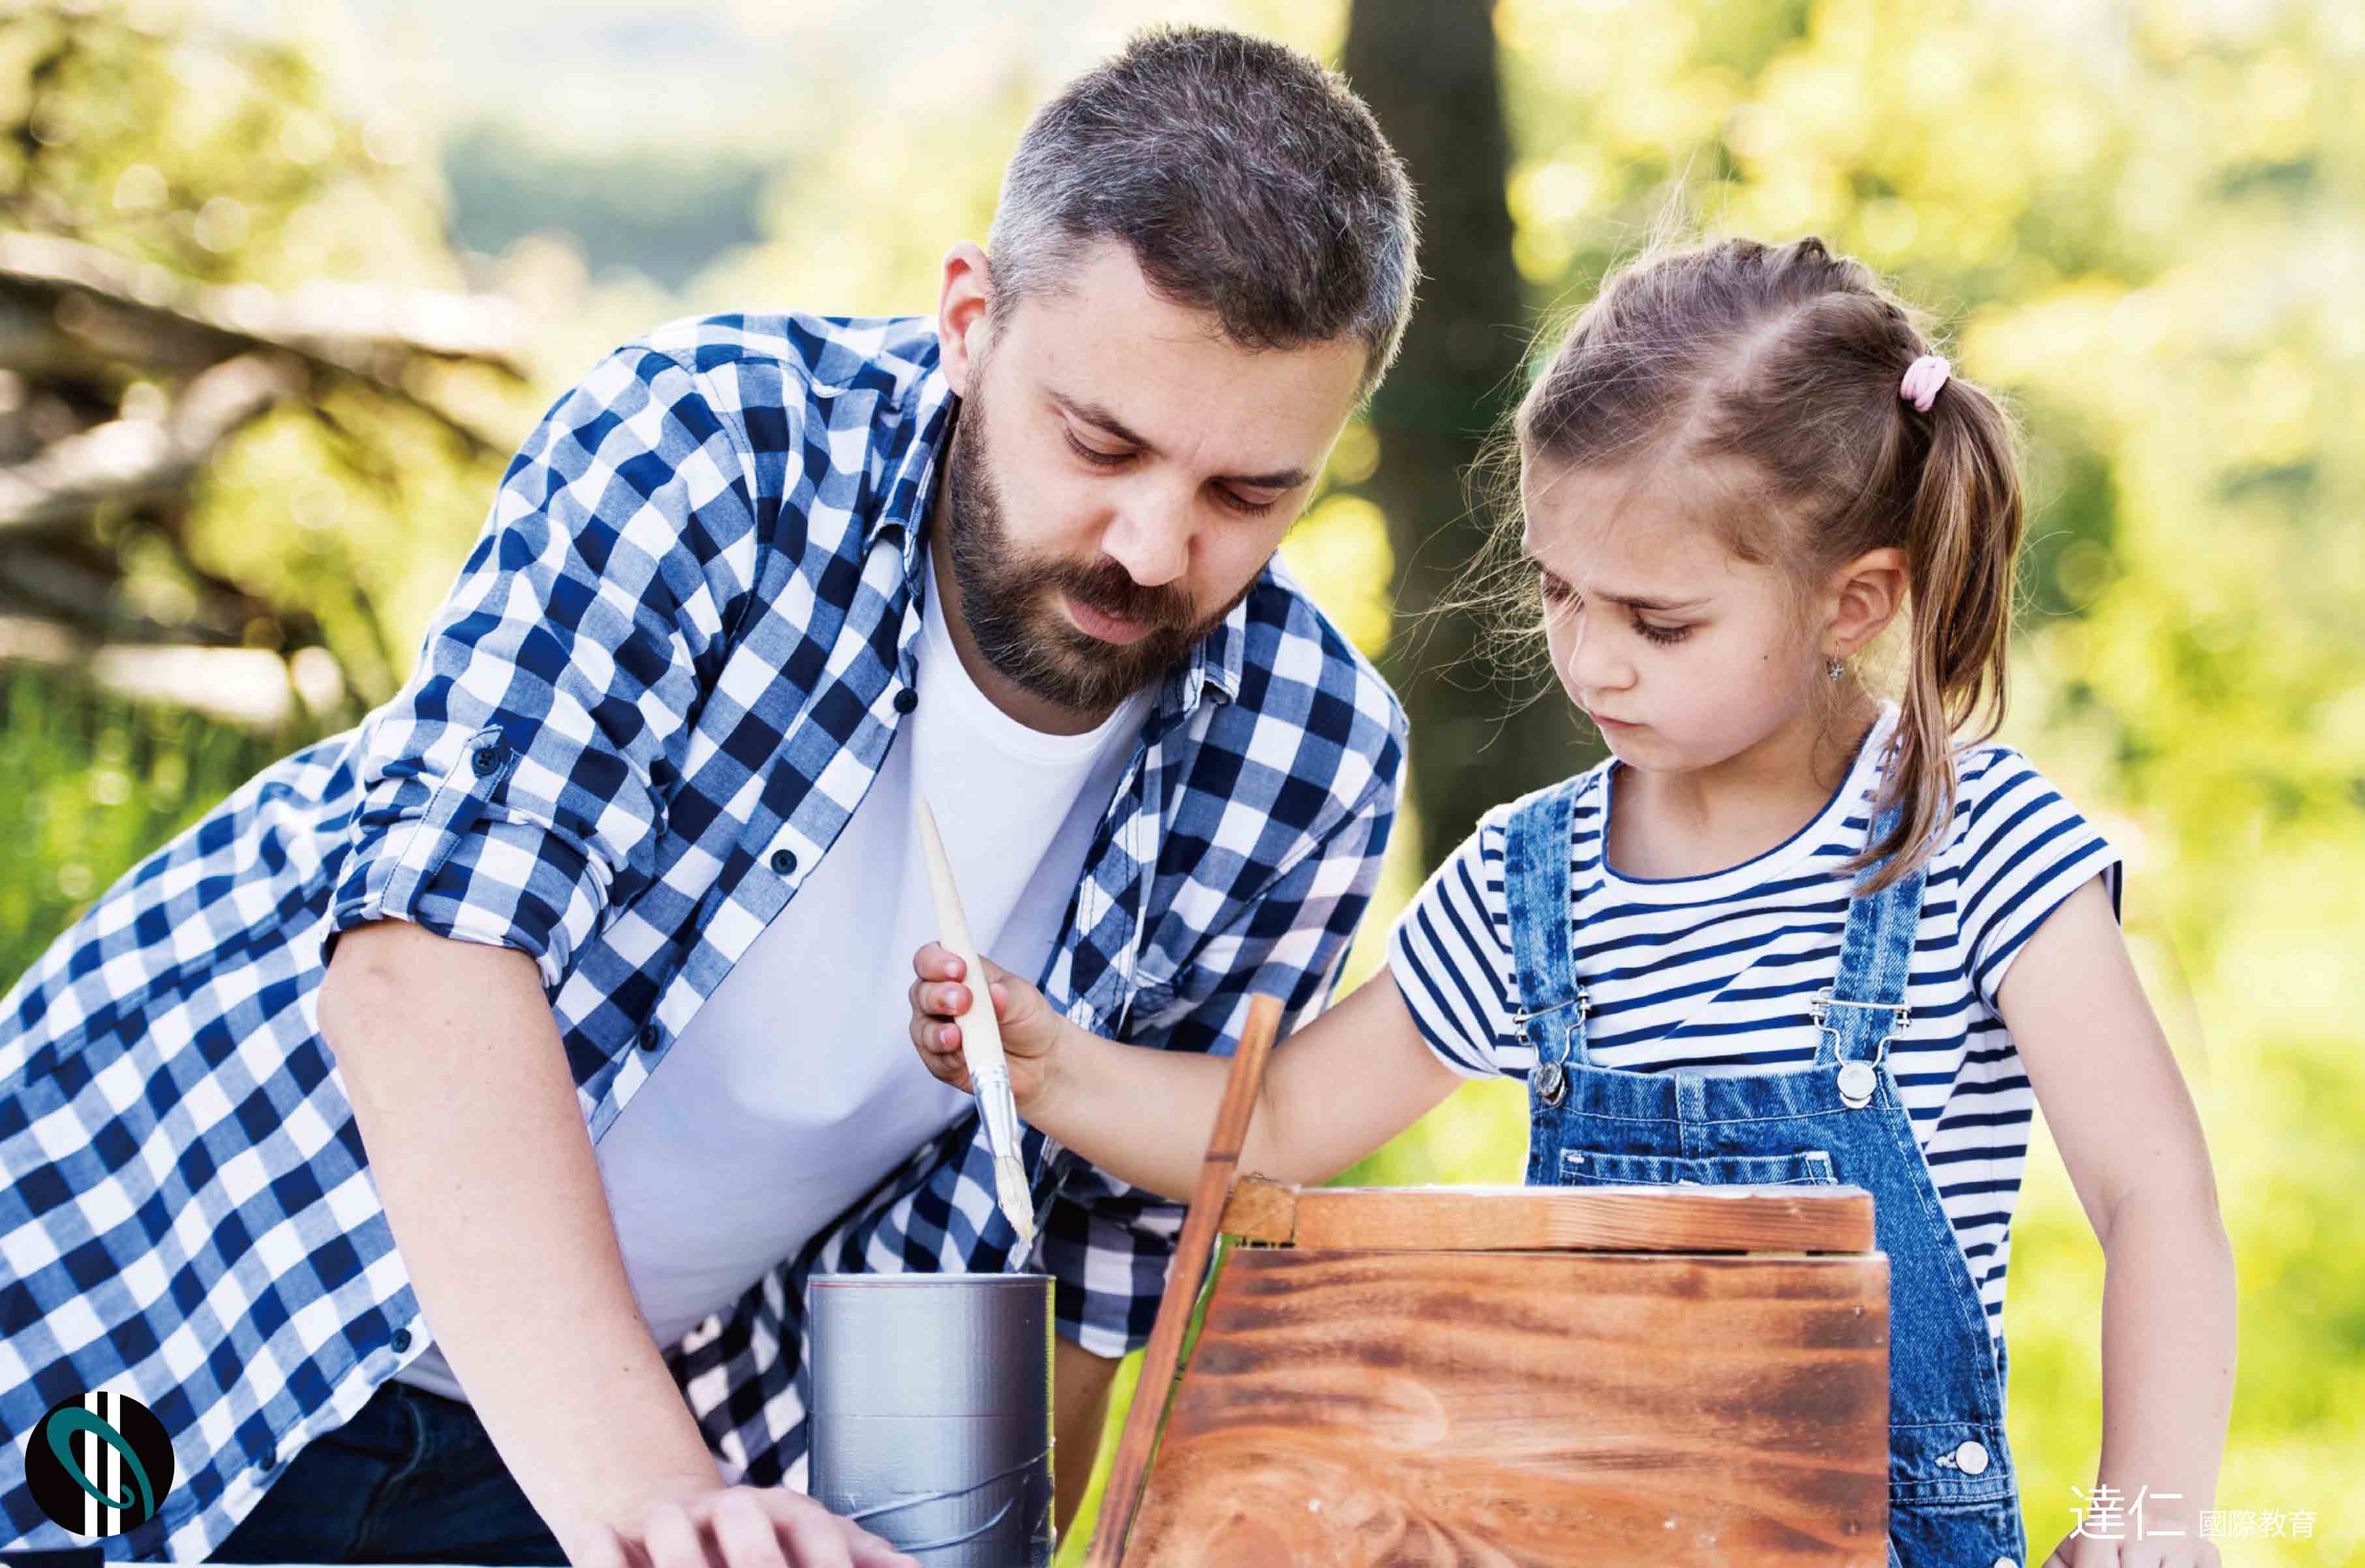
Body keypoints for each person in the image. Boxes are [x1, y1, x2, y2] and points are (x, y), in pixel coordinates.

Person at [0, 27, 1418, 1565]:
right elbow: (428, 961)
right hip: (165, 1260)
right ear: (969, 320)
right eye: (1100, 441)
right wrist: (654, 1501)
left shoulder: (1308, 757)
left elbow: (1102, 1257)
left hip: (606, 1434)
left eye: (1245, 493)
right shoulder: (713, 448)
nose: (1151, 544)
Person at [912, 234, 2236, 1568]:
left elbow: (2153, 1191)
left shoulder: (1970, 843)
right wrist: (1058, 1069)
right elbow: (1288, 1121)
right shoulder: (1523, 880)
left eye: (1658, 622)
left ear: (1854, 603)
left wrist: (2150, 1516)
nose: (1594, 660)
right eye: (1559, 592)